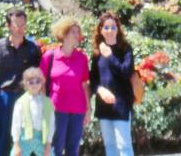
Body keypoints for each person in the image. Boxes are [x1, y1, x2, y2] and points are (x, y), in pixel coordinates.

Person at [0, 8, 42, 156]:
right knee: (1, 136)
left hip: (26, 97)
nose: (20, 28)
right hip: (4, 97)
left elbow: (38, 75)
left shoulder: (33, 49)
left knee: (25, 138)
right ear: (8, 26)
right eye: (17, 24)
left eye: (23, 24)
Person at [41, 18, 90, 156]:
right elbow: (41, 83)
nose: (76, 35)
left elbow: (84, 85)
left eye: (78, 32)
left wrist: (88, 109)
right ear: (63, 34)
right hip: (56, 109)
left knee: (72, 149)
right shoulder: (49, 56)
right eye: (72, 32)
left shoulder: (82, 58)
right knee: (55, 147)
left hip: (78, 110)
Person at [89, 13, 135, 156]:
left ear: (118, 29)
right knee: (110, 146)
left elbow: (126, 72)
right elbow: (94, 79)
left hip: (121, 103)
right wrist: (100, 90)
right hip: (104, 104)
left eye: (113, 27)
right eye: (106, 27)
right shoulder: (97, 53)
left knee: (124, 146)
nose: (110, 31)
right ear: (101, 30)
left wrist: (110, 56)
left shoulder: (125, 49)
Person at [10, 67, 55, 156]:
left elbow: (51, 124)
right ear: (25, 84)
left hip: (41, 137)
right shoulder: (20, 102)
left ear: (42, 83)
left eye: (37, 81)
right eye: (31, 82)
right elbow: (16, 124)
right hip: (24, 137)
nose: (34, 85)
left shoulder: (47, 102)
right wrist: (16, 144)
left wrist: (48, 144)